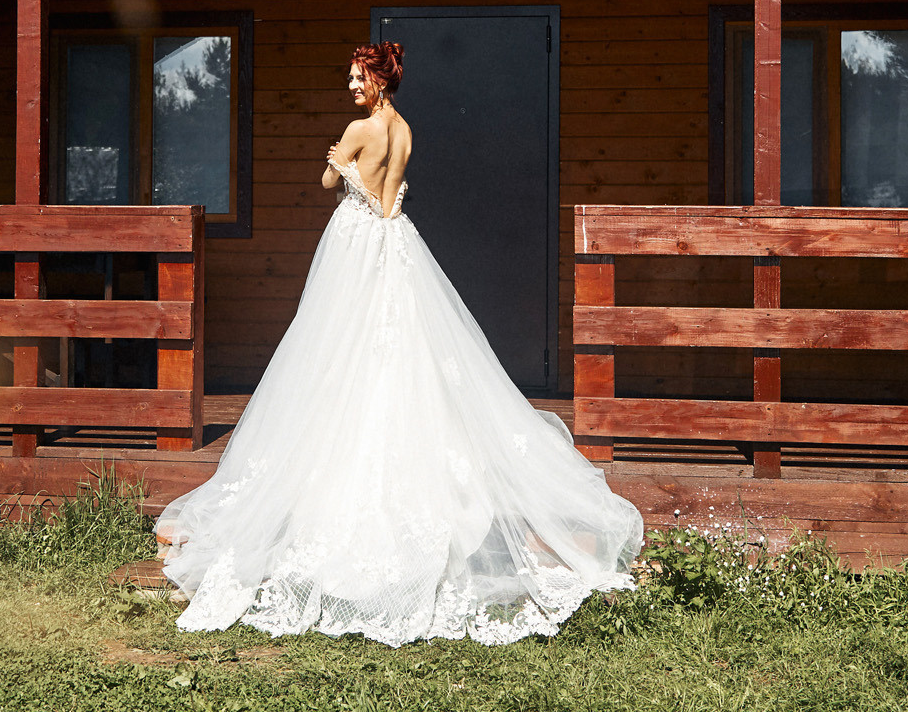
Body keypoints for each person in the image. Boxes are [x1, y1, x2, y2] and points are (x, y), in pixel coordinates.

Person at [155, 40, 644, 644]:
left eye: (357, 78)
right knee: (399, 343)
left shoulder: (359, 130)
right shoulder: (405, 131)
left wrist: (335, 161)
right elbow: (391, 194)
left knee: (338, 341)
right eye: (350, 79)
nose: (351, 88)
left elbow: (328, 181)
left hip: (356, 242)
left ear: (379, 81)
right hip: (395, 238)